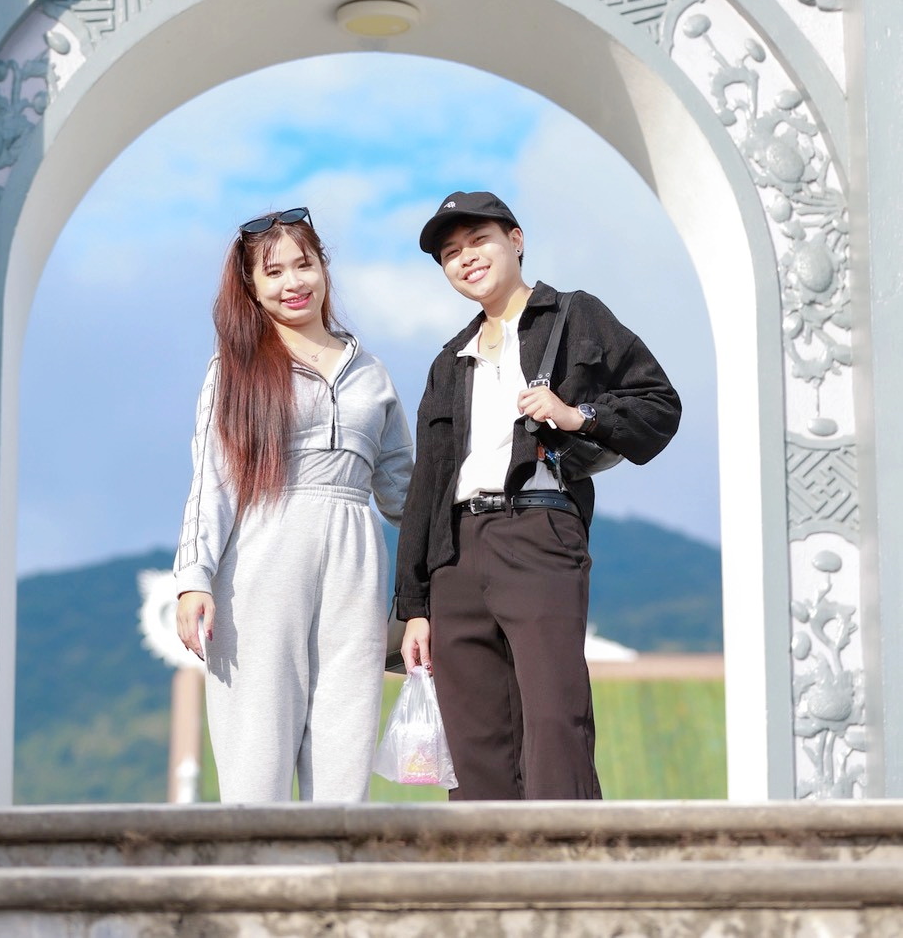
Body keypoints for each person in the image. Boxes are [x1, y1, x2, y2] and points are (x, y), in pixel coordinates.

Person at [395, 190, 681, 801]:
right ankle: (486, 862)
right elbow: (427, 487)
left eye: (479, 240)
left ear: (516, 240)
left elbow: (658, 404)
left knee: (554, 718)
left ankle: (568, 855)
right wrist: (414, 606)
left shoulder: (575, 317)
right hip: (454, 557)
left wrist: (578, 415)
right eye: (451, 253)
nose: (467, 258)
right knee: (472, 737)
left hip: (538, 530)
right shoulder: (449, 361)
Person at [174, 206, 412, 803]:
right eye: (273, 272)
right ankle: (255, 863)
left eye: (303, 265)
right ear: (252, 288)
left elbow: (405, 494)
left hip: (356, 560)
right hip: (261, 558)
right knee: (258, 742)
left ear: (323, 268)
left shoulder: (371, 373)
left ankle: (334, 861)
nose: (292, 283)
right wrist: (193, 578)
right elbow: (211, 481)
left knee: (346, 740)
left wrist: (446, 574)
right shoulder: (234, 370)